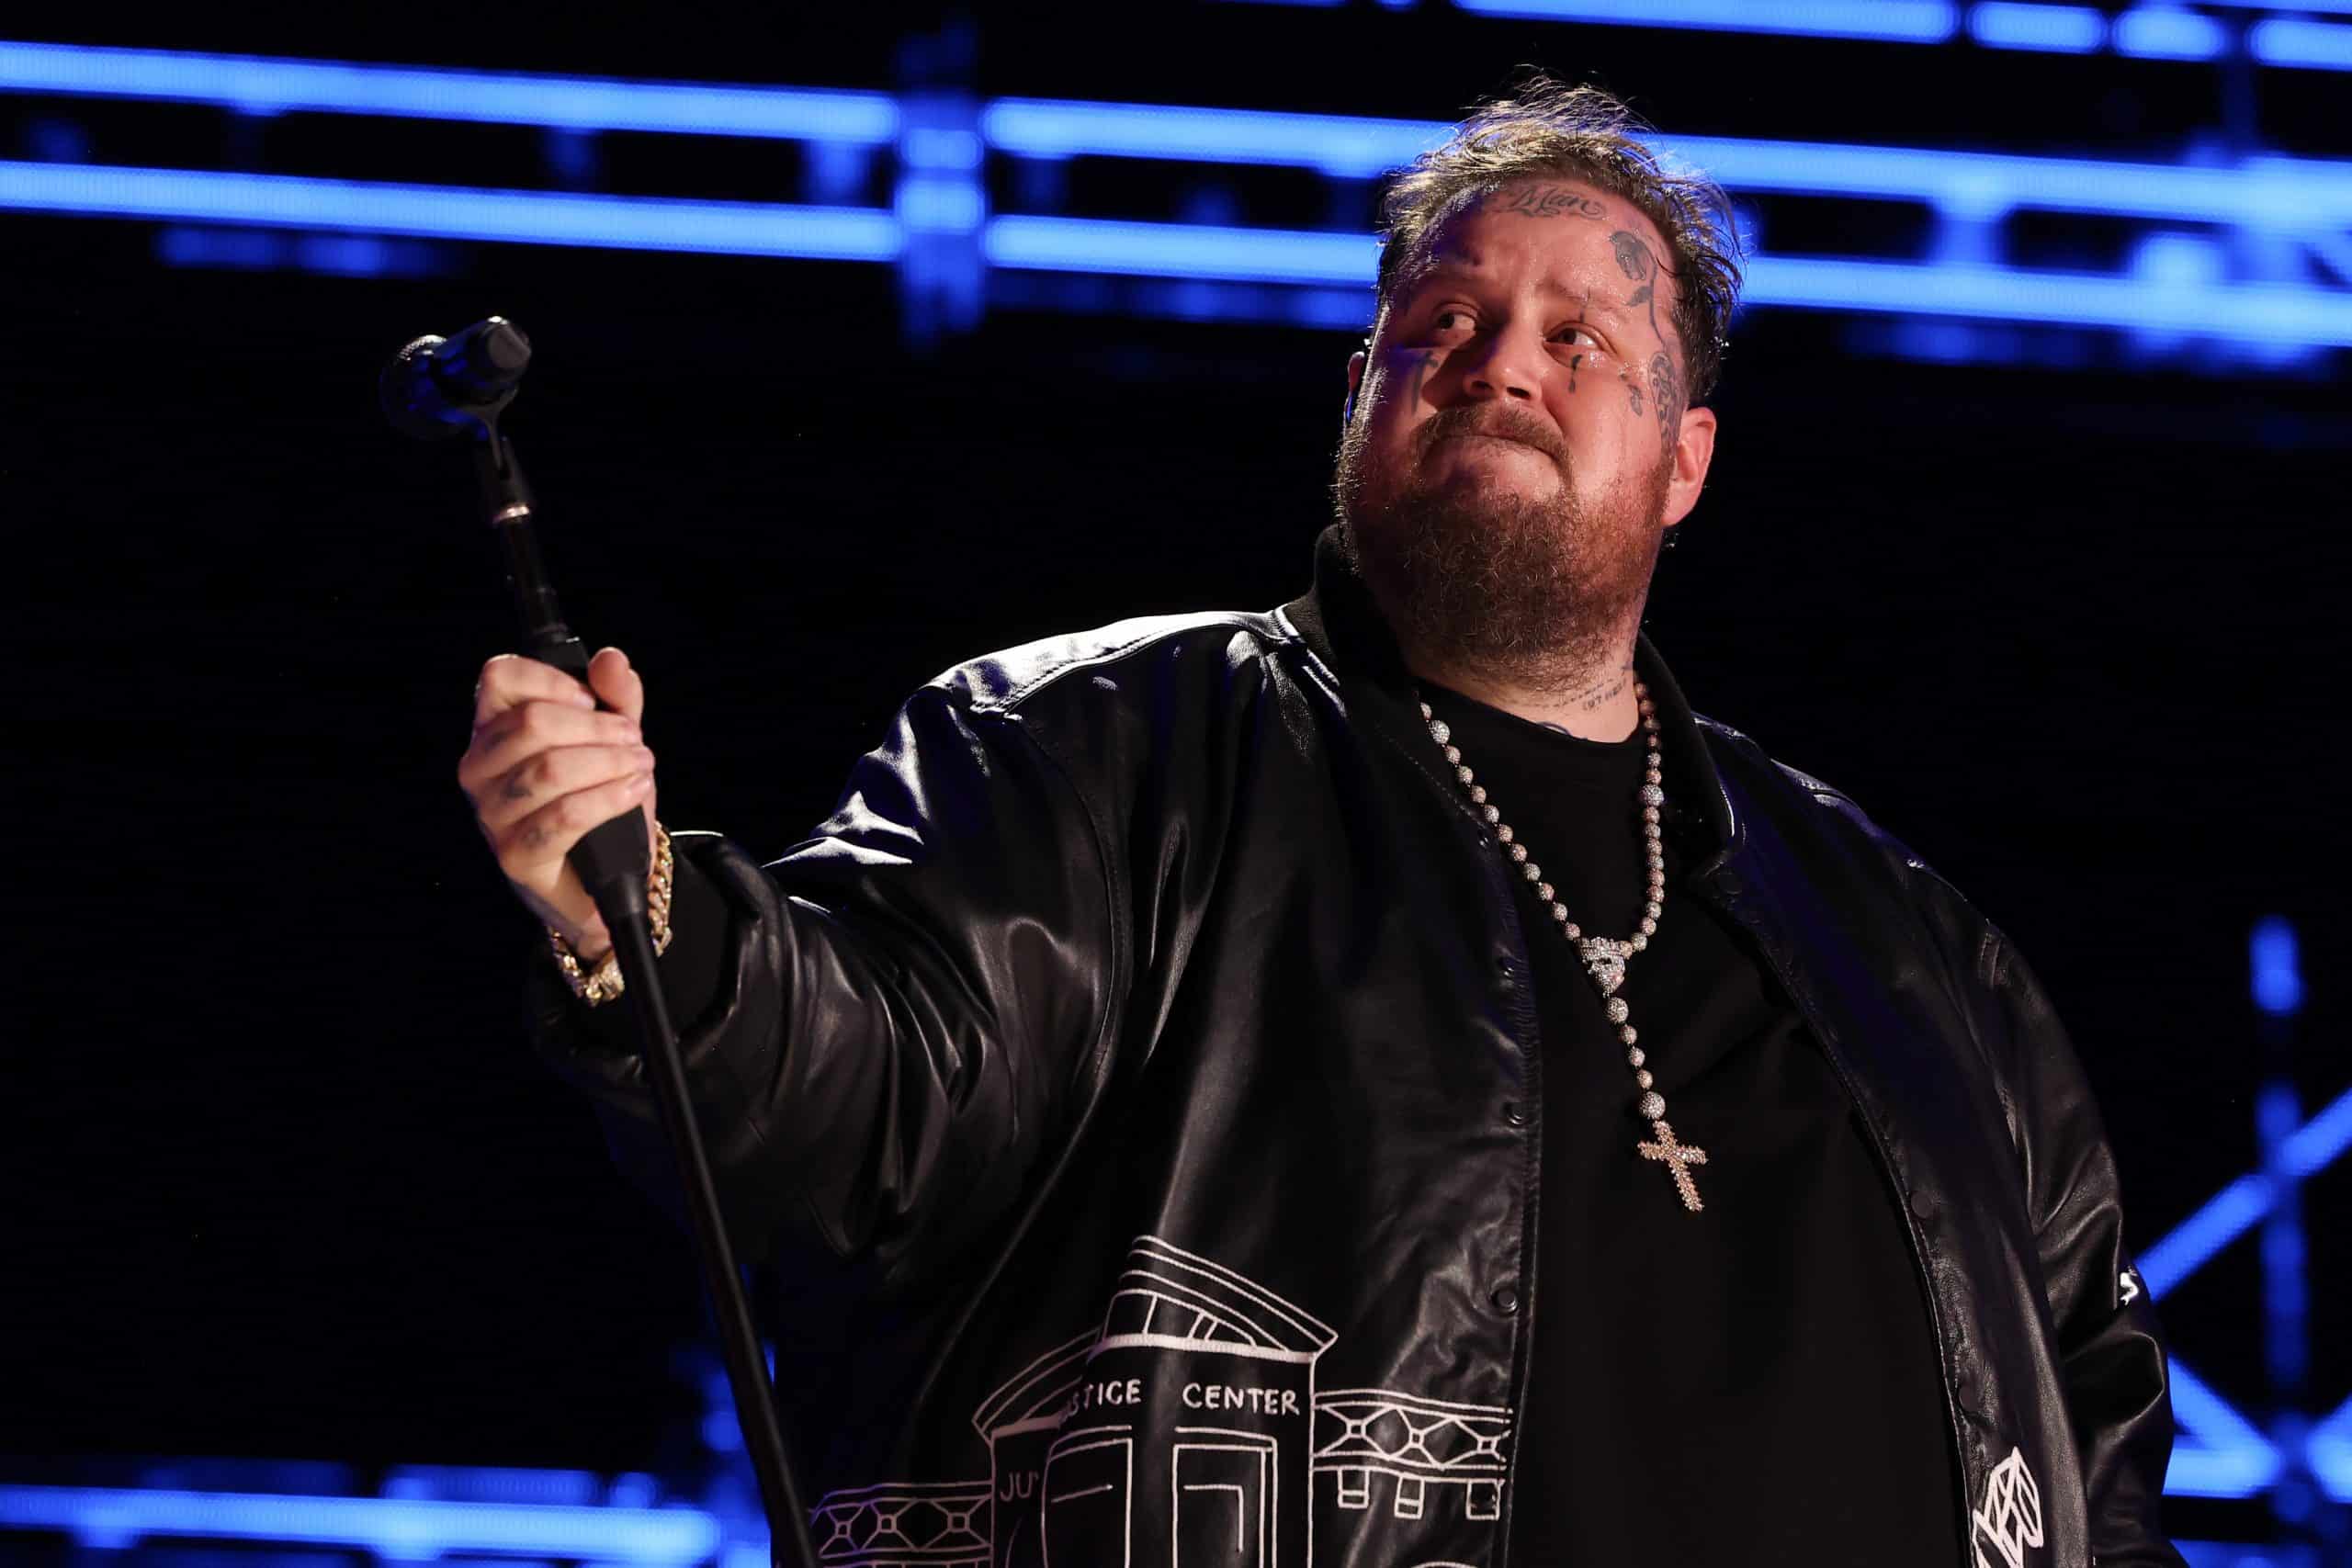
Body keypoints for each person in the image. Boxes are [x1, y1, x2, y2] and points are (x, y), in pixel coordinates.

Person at [458, 77, 2184, 1568]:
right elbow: (870, 1092)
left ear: (1686, 462)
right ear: (1359, 392)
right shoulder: (1090, 756)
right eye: (1444, 325)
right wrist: (649, 923)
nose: (1501, 363)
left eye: (1581, 337)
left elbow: (2096, 1449)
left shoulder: (1910, 947)